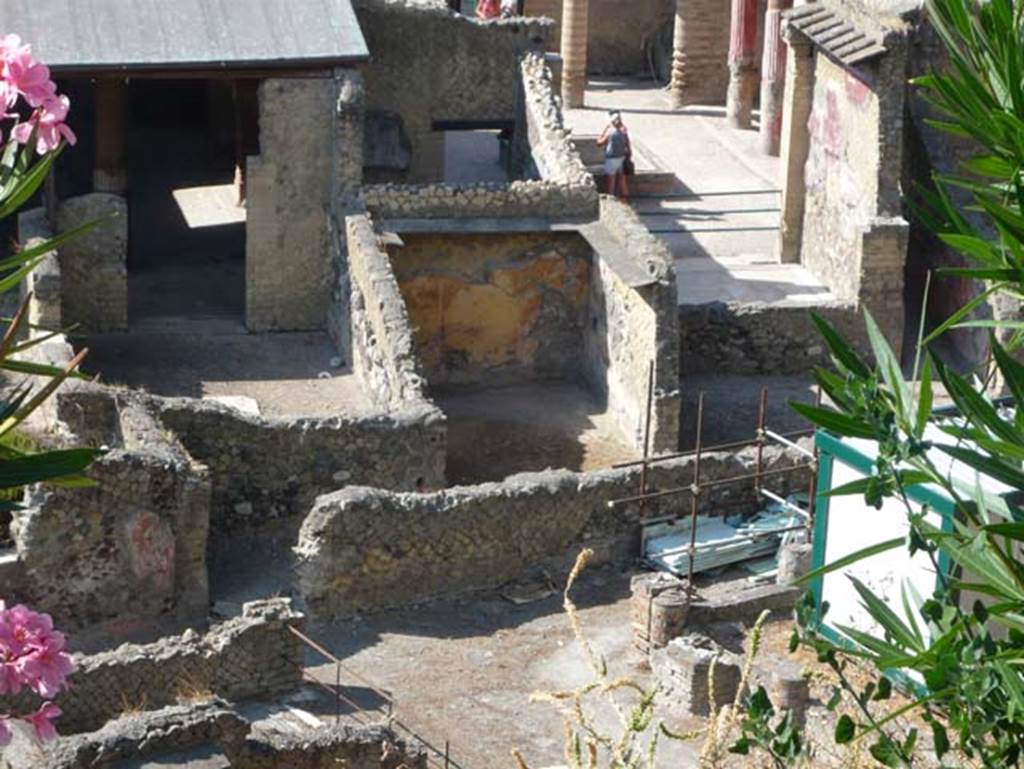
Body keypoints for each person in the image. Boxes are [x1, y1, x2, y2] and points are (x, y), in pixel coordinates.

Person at [597, 111, 631, 198]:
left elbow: (599, 143)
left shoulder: (610, 133)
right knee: (622, 180)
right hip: (621, 157)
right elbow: (628, 146)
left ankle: (611, 198)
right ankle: (626, 198)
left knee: (611, 181)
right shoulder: (624, 132)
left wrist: (605, 129)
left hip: (611, 159)